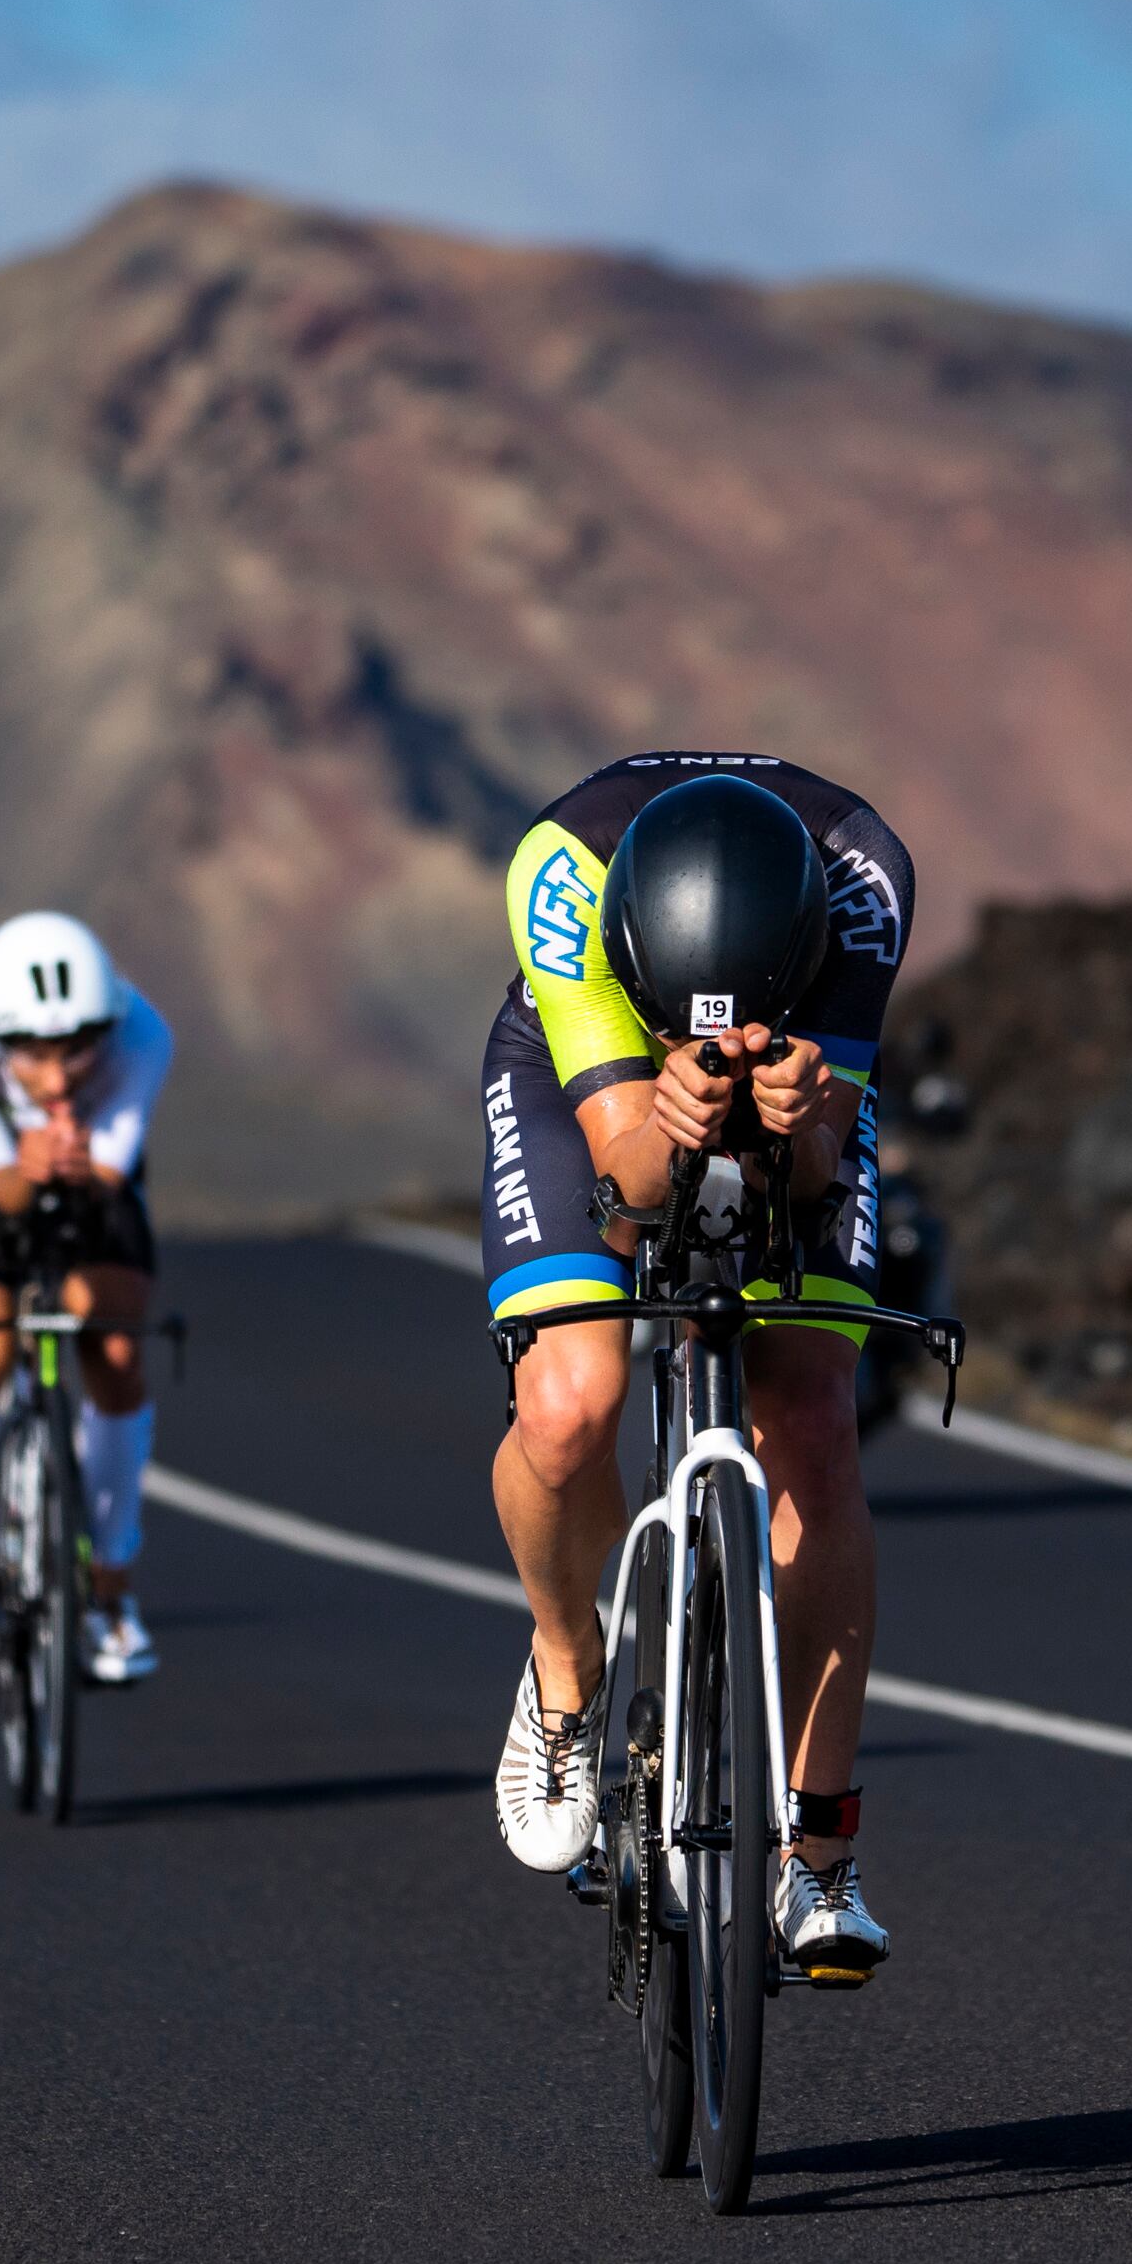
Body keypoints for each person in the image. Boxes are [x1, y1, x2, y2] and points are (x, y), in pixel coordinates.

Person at [483, 755, 914, 1975]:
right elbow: (626, 1186)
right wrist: (663, 1119)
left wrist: (798, 1116)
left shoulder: (866, 883)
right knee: (571, 1409)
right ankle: (565, 1676)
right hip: (584, 1076)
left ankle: (819, 1858)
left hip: (810, 1075)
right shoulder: (557, 877)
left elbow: (824, 1163)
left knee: (814, 1424)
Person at [0, 910, 174, 1685]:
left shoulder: (144, 1034)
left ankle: (111, 1583)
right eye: (32, 1056)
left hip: (86, 1160)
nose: (57, 1079)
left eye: (78, 1052)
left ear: (107, 1028)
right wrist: (24, 1163)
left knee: (117, 1346)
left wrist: (73, 1158)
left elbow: (114, 1172)